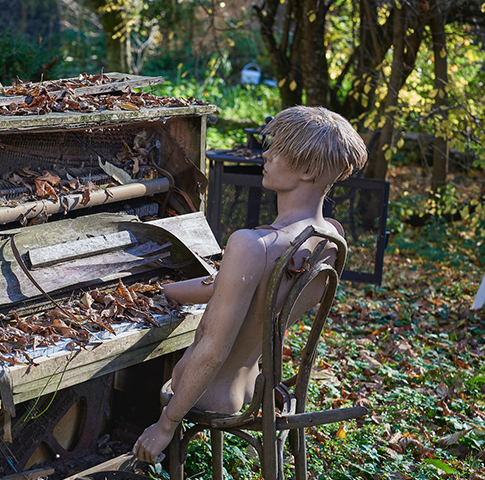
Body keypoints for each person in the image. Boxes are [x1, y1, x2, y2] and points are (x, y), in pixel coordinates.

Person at [132, 106, 368, 464]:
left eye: (279, 149)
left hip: (205, 394)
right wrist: (160, 291)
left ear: (307, 170)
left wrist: (165, 425)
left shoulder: (250, 245)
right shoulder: (329, 239)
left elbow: (212, 350)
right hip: (257, 386)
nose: (267, 155)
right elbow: (236, 290)